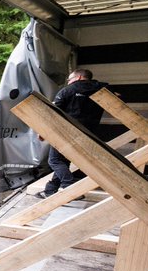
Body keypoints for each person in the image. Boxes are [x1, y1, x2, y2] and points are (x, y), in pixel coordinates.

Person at [37, 68, 112, 197]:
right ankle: (50, 191)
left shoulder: (68, 91)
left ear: (78, 78)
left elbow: (53, 112)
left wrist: (43, 131)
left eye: (70, 79)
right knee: (64, 161)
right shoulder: (101, 90)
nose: (68, 81)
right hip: (88, 133)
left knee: (54, 160)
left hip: (66, 131)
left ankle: (70, 187)